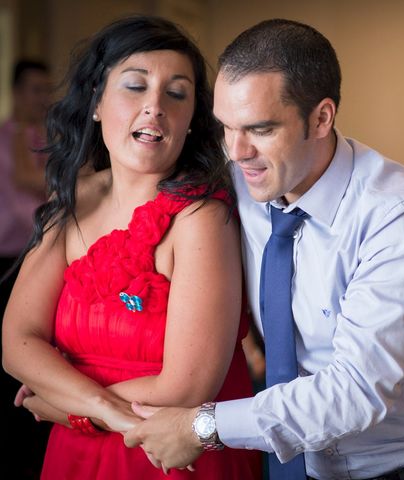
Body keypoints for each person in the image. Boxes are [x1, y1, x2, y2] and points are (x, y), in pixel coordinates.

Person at [125, 18, 404, 480]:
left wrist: (202, 426)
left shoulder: (397, 217)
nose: (236, 151)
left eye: (260, 129)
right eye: (226, 127)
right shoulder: (244, 176)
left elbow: (357, 389)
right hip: (290, 463)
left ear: (321, 118)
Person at [1, 15, 261, 479]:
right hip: (77, 453)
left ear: (190, 120)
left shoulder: (201, 215)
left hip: (168, 458)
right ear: (97, 101)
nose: (154, 106)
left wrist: (63, 403)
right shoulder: (71, 199)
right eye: (135, 86)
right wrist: (100, 411)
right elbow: (18, 344)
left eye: (176, 93)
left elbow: (186, 387)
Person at [0, 59, 51, 479]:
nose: (41, 98)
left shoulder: (50, 138)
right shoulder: (9, 136)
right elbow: (27, 178)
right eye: (34, 89)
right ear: (17, 92)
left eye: (45, 90)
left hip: (36, 257)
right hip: (4, 257)